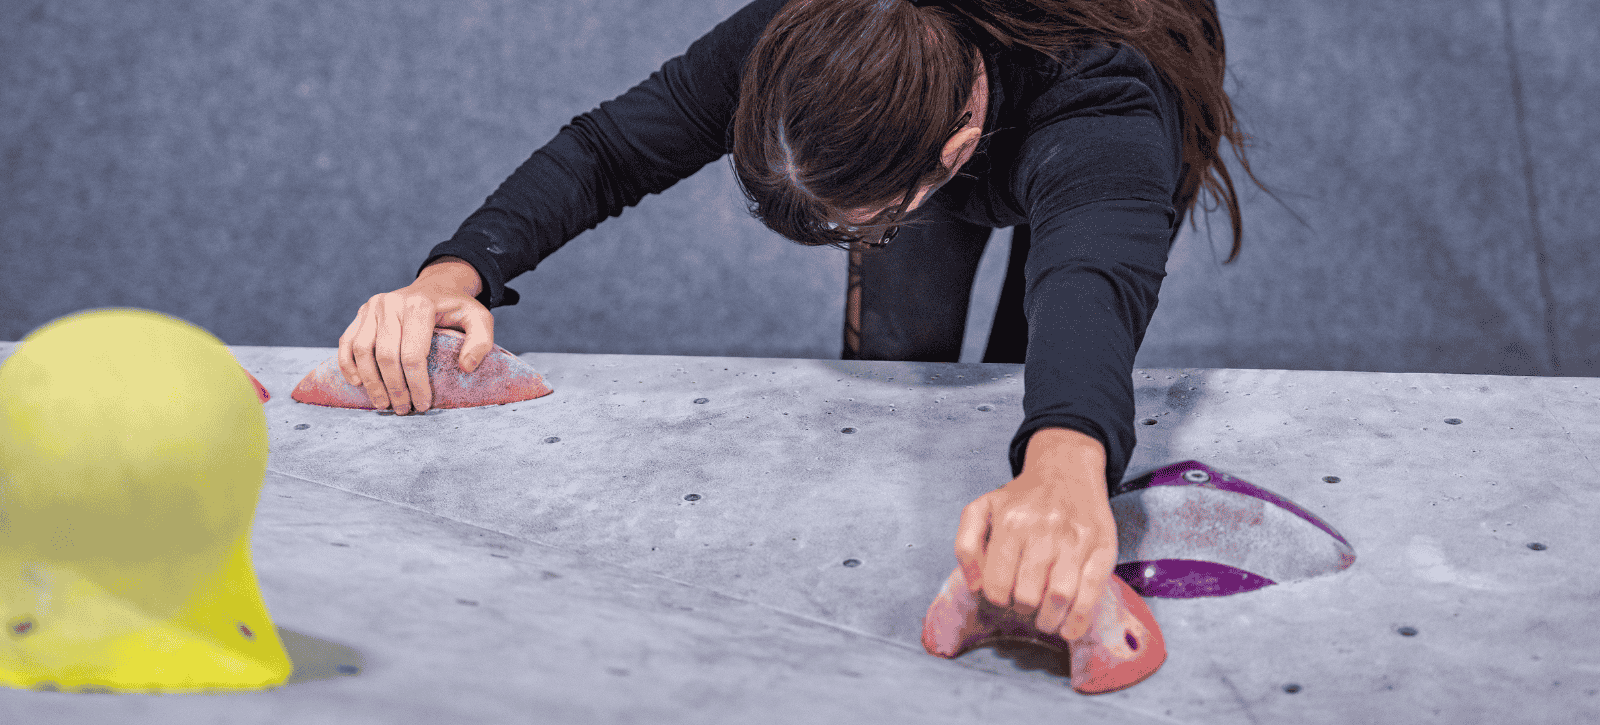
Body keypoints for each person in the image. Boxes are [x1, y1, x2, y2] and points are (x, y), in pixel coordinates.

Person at [339, 0, 1270, 646]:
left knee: (1037, 368)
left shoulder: (1105, 110)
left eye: (866, 220)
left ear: (952, 152)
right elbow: (611, 149)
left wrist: (1065, 468)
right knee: (899, 362)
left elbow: (1089, 285)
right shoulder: (823, 32)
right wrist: (451, 275)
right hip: (922, 106)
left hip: (1113, 47)